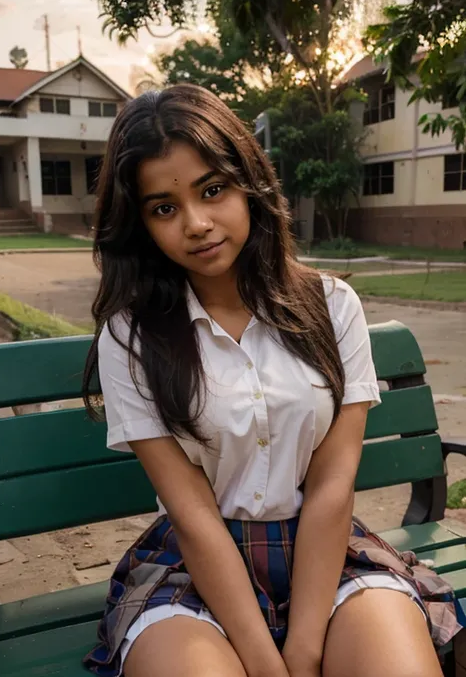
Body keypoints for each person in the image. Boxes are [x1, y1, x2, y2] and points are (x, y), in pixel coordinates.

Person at [82, 85, 461, 677]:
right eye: (164, 208)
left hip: (326, 551)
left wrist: (305, 650)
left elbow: (333, 486)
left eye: (213, 189)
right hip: (194, 564)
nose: (197, 223)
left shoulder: (331, 307)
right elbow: (194, 516)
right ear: (141, 225)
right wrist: (267, 665)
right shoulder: (133, 338)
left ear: (249, 181)